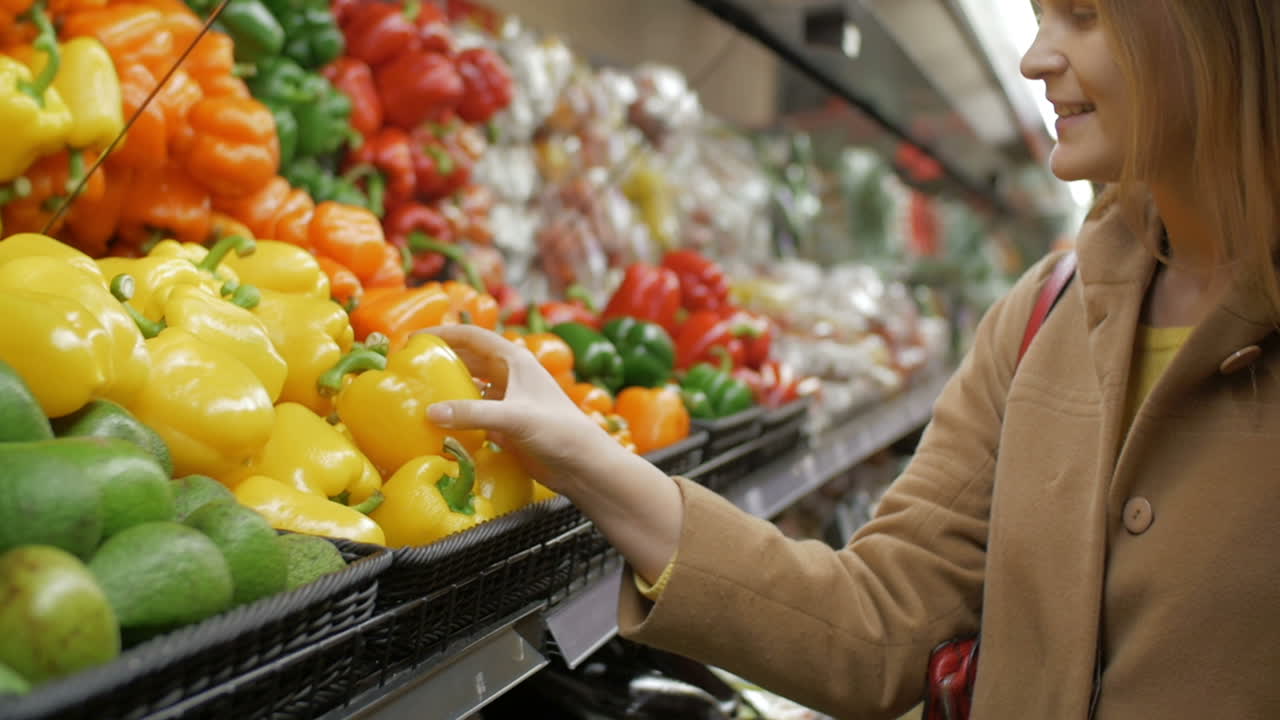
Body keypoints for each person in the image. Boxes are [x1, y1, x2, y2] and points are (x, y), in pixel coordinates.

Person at [425, 1, 1280, 717]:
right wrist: (583, 453)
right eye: (1036, 13)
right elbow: (879, 622)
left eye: (1085, 16)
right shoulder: (1043, 318)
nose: (1033, 58)